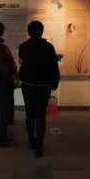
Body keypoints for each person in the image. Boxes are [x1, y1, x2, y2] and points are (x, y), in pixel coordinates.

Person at [18, 21, 60, 157]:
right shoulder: (48, 47)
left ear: (28, 32)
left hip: (28, 84)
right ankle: (39, 145)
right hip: (44, 85)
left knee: (29, 114)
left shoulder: (23, 47)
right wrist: (55, 82)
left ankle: (31, 140)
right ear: (42, 32)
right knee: (40, 115)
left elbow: (23, 60)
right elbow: (54, 66)